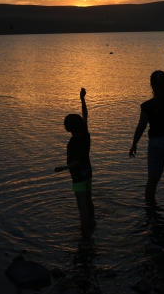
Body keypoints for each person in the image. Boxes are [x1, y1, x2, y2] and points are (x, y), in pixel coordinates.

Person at [129, 45, 164, 209]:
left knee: (152, 180)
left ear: (151, 85)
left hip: (156, 145)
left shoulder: (147, 106)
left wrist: (134, 144)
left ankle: (150, 210)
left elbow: (141, 127)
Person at [55, 88, 95, 233]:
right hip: (88, 172)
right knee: (89, 201)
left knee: (81, 205)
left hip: (78, 176)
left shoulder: (72, 143)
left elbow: (76, 162)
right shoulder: (85, 133)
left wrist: (62, 168)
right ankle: (92, 220)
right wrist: (82, 99)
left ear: (68, 129)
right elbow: (86, 114)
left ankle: (85, 232)